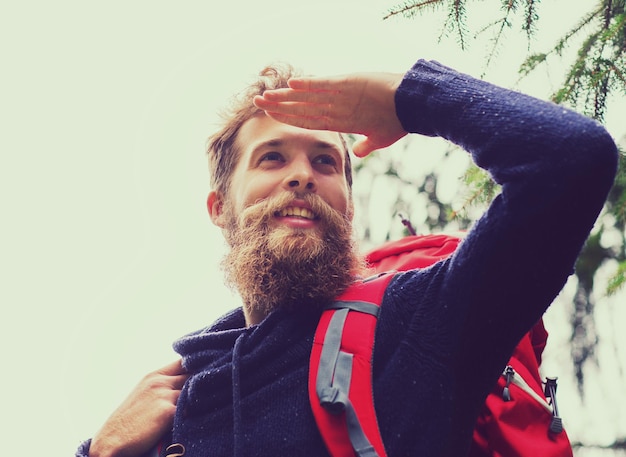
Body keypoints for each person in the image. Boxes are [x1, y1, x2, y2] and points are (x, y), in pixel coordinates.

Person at [77, 59, 618, 457]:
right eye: (272, 158)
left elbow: (571, 158)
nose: (302, 175)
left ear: (347, 208)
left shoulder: (417, 324)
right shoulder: (174, 411)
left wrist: (410, 97)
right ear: (220, 208)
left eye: (324, 161)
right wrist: (99, 453)